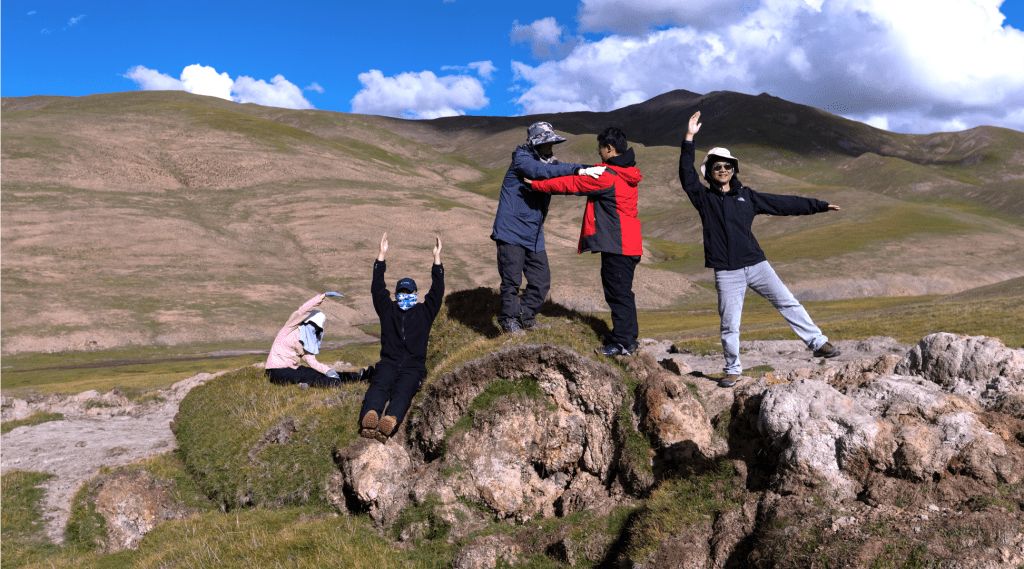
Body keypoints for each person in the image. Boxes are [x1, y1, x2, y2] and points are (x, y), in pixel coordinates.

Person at [680, 111, 842, 388]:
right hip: (726, 270)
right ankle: (732, 369)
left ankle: (818, 343)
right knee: (730, 324)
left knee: (787, 302)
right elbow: (685, 174)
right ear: (709, 171)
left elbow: (783, 204)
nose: (723, 170)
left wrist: (818, 205)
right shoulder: (703, 198)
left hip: (757, 265)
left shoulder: (748, 196)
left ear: (734, 169)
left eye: (728, 166)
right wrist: (689, 138)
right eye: (717, 166)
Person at [524, 126, 642, 356]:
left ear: (609, 148)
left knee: (618, 293)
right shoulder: (628, 173)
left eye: (600, 148)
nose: (599, 152)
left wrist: (536, 185)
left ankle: (623, 342)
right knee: (622, 291)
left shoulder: (607, 175)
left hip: (618, 244)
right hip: (628, 243)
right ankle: (627, 337)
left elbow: (572, 184)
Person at [490, 121, 605, 334]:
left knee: (541, 280)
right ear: (535, 143)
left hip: (534, 236)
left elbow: (560, 174)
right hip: (511, 232)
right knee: (512, 280)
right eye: (547, 143)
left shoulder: (548, 163)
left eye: (552, 143)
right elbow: (540, 171)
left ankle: (525, 317)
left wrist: (589, 170)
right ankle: (508, 320)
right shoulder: (522, 161)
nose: (551, 147)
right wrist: (579, 170)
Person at [359, 232, 444, 443]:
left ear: (416, 294)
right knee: (379, 386)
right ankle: (370, 417)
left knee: (403, 392)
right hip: (388, 363)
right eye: (402, 293)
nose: (405, 297)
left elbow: (437, 292)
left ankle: (390, 419)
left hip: (414, 368)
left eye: (409, 293)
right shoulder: (388, 310)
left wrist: (437, 260)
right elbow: (377, 289)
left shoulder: (425, 312)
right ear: (396, 295)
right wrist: (381, 256)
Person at [265, 293, 369, 387]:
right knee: (307, 377)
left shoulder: (308, 341)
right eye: (313, 324)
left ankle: (356, 377)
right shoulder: (290, 327)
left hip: (294, 368)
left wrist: (328, 371)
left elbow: (312, 361)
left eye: (317, 327)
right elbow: (303, 310)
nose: (314, 328)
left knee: (316, 373)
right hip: (276, 370)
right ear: (306, 321)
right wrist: (321, 297)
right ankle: (332, 384)